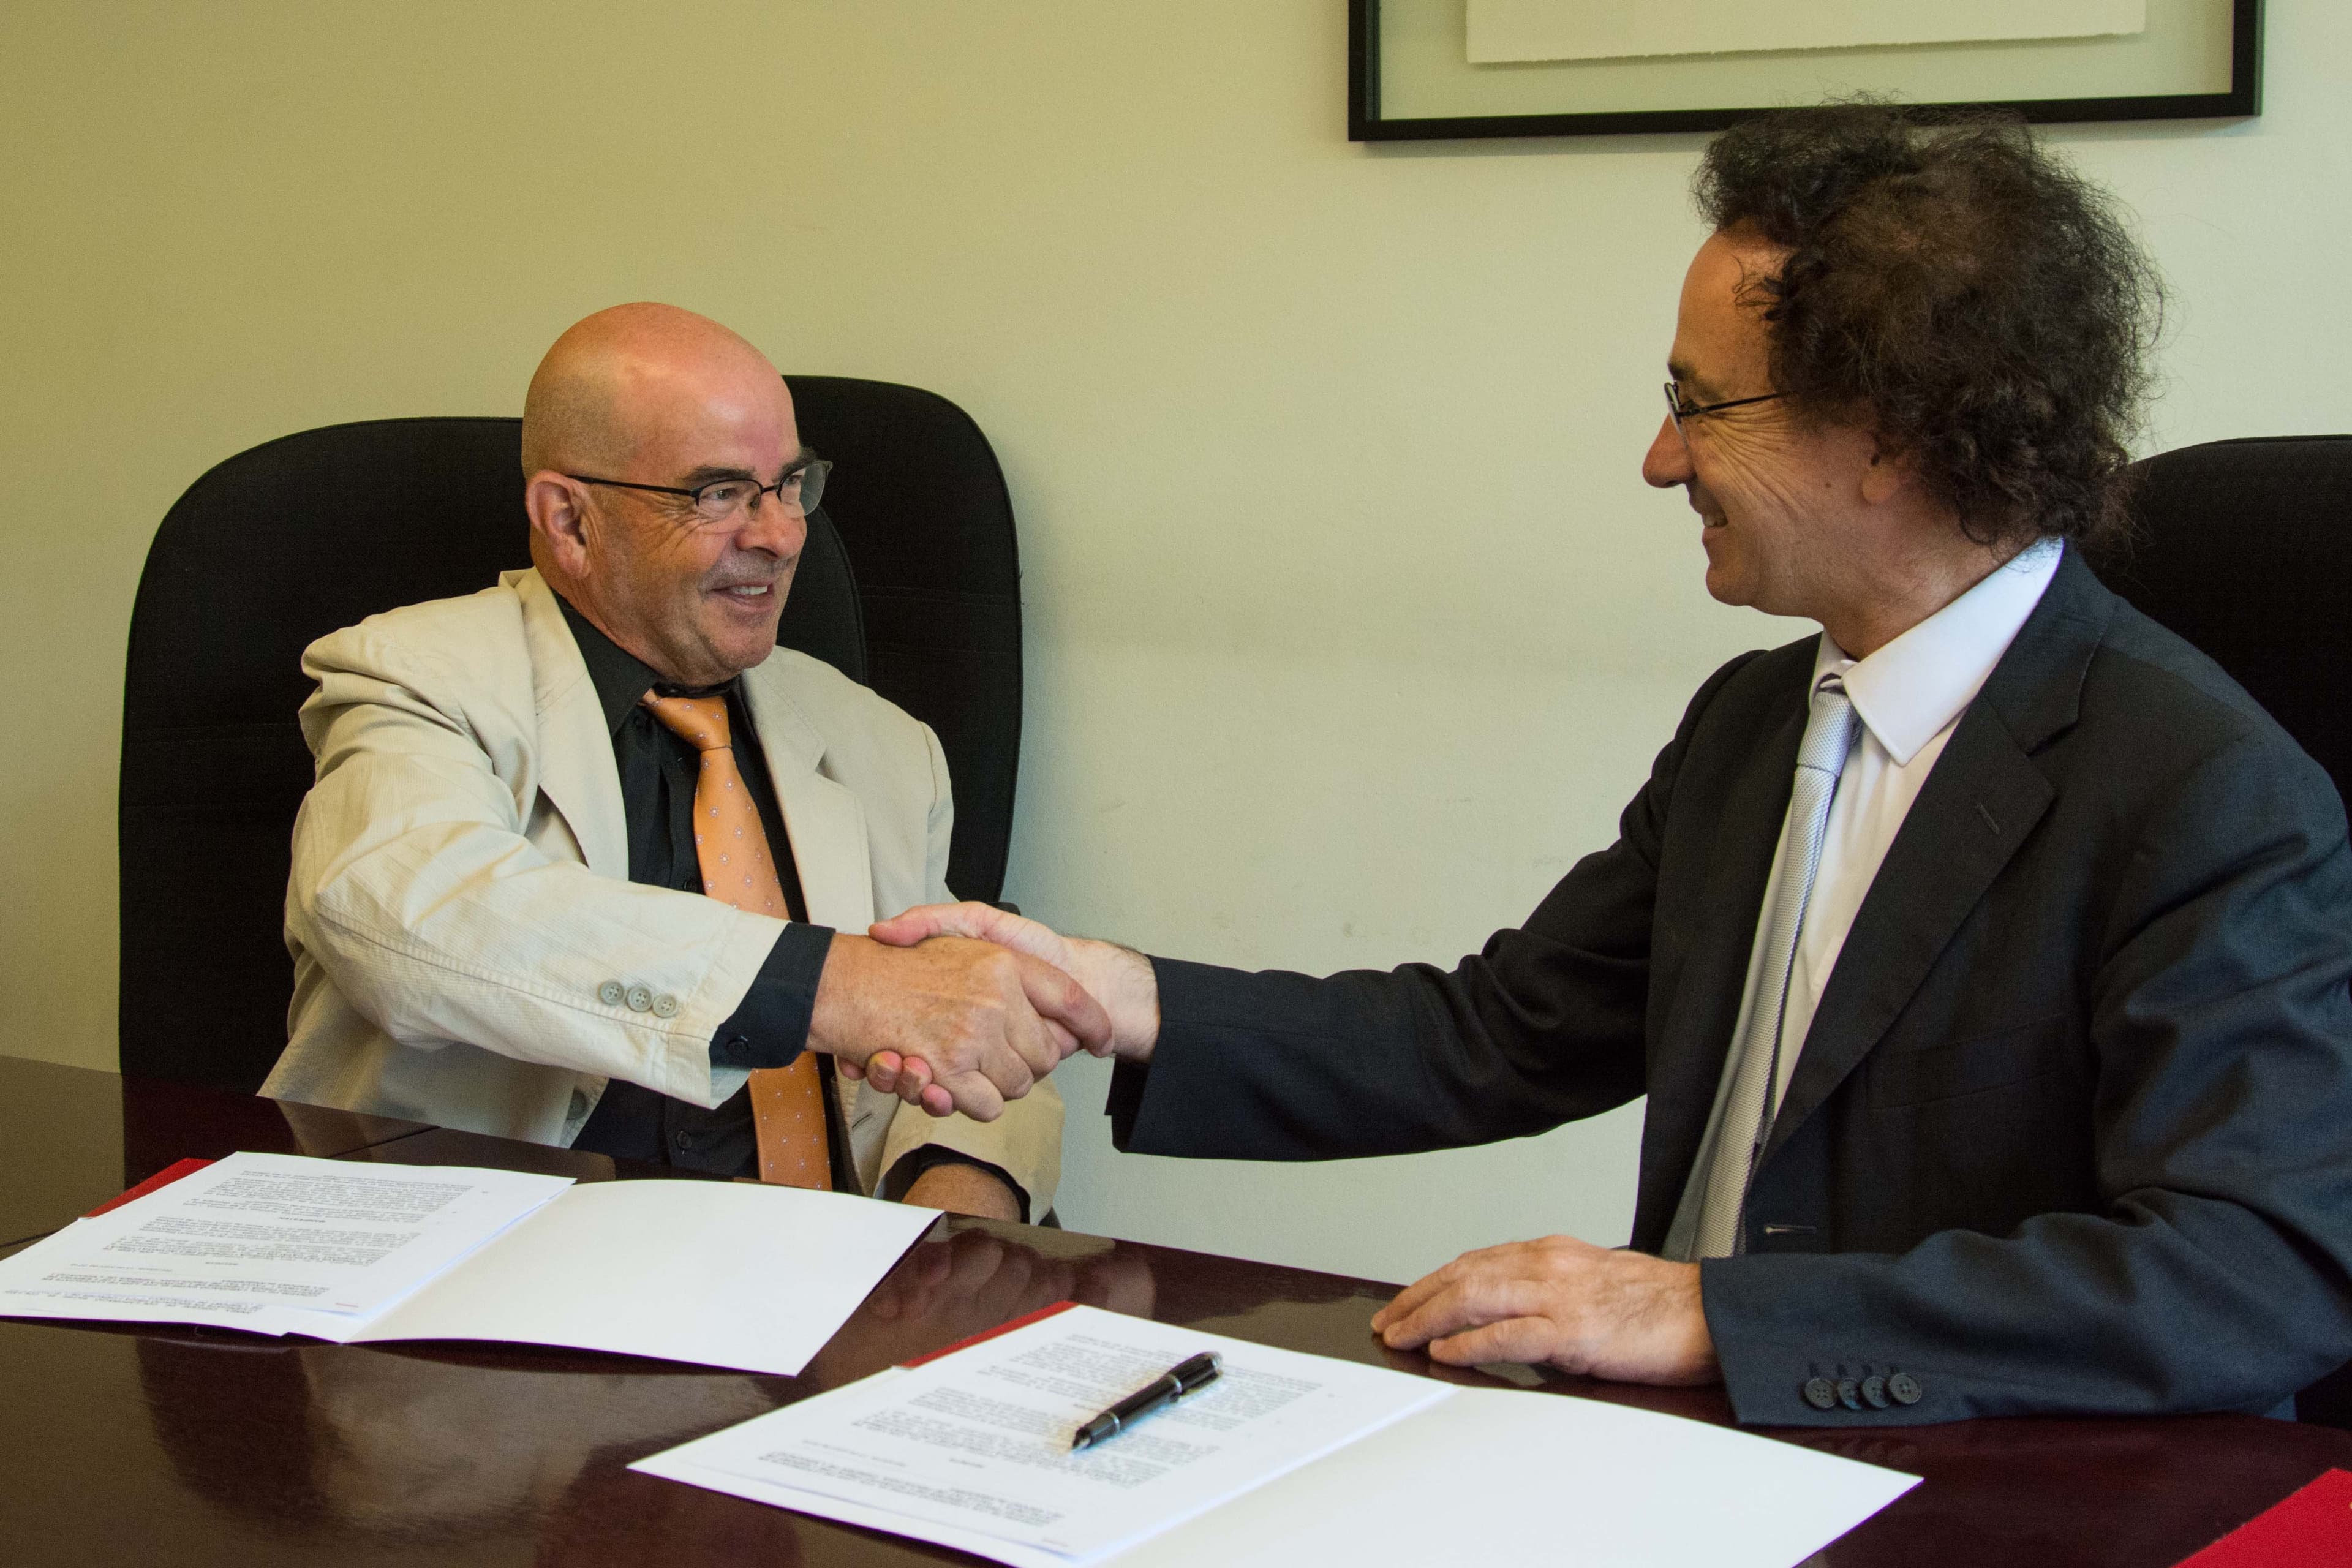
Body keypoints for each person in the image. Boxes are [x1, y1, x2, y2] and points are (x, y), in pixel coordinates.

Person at [864, 105, 2352, 1418]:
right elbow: (1500, 1033)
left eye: (1700, 404)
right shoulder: (1755, 724)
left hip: (1974, 1487)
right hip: (1675, 1463)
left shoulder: (2204, 788)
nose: (1658, 457)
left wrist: (1708, 1310)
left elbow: (2248, 1272)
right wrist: (1112, 993)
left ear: (1889, 435)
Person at [263, 304, 1102, 1219]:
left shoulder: (887, 747)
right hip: (497, 1283)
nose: (781, 536)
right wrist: (832, 986)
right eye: (717, 494)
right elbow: (413, 920)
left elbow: (967, 1019)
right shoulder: (414, 678)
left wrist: (955, 1205)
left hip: (820, 1287)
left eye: (790, 485)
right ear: (570, 521)